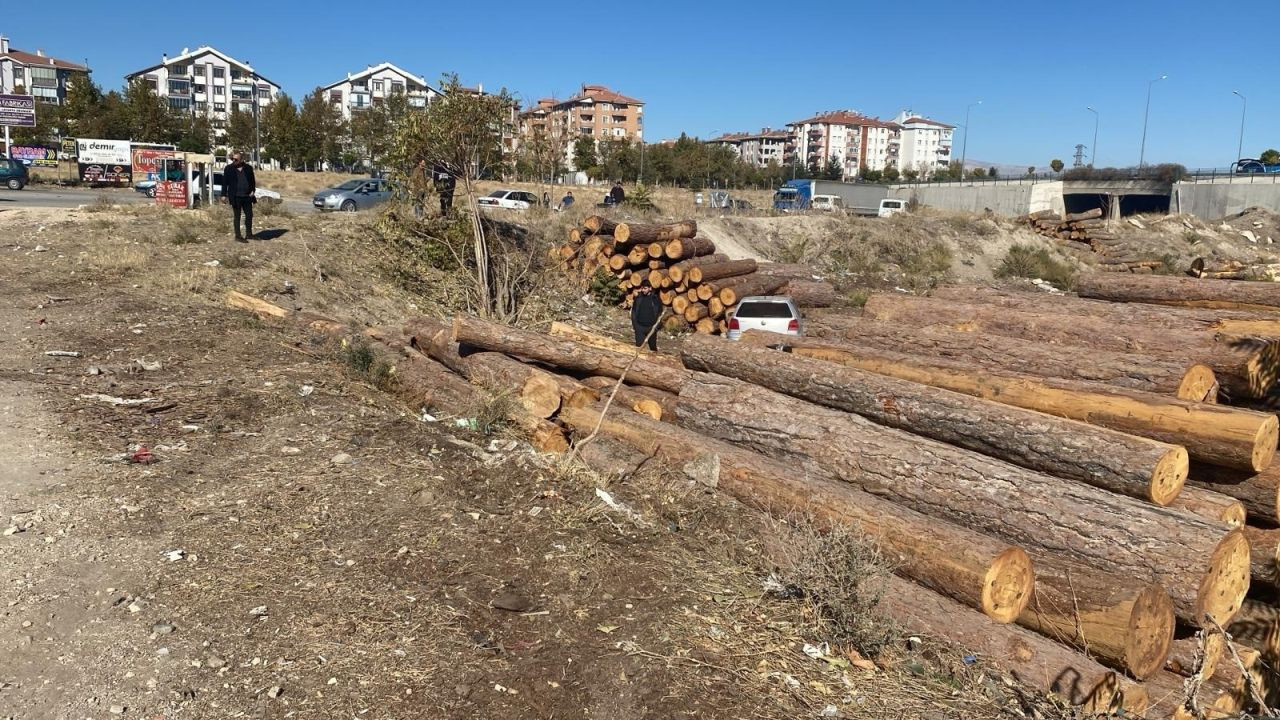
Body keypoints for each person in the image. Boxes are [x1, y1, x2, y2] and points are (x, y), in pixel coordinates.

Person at [221, 152, 256, 241]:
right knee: (237, 216)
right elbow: (225, 182)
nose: (234, 161)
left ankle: (249, 234)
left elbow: (252, 181)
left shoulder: (248, 168)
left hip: (247, 196)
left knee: (249, 215)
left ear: (241, 159)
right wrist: (223, 195)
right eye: (232, 159)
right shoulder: (229, 168)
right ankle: (238, 236)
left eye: (236, 159)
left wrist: (253, 190)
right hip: (235, 196)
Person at [630, 285, 663, 351]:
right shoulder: (638, 298)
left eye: (645, 288)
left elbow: (660, 313)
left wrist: (656, 327)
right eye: (642, 288)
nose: (643, 290)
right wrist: (635, 326)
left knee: (653, 348)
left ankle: (655, 360)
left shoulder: (655, 299)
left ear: (650, 288)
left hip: (651, 328)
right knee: (639, 348)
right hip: (640, 327)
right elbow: (633, 312)